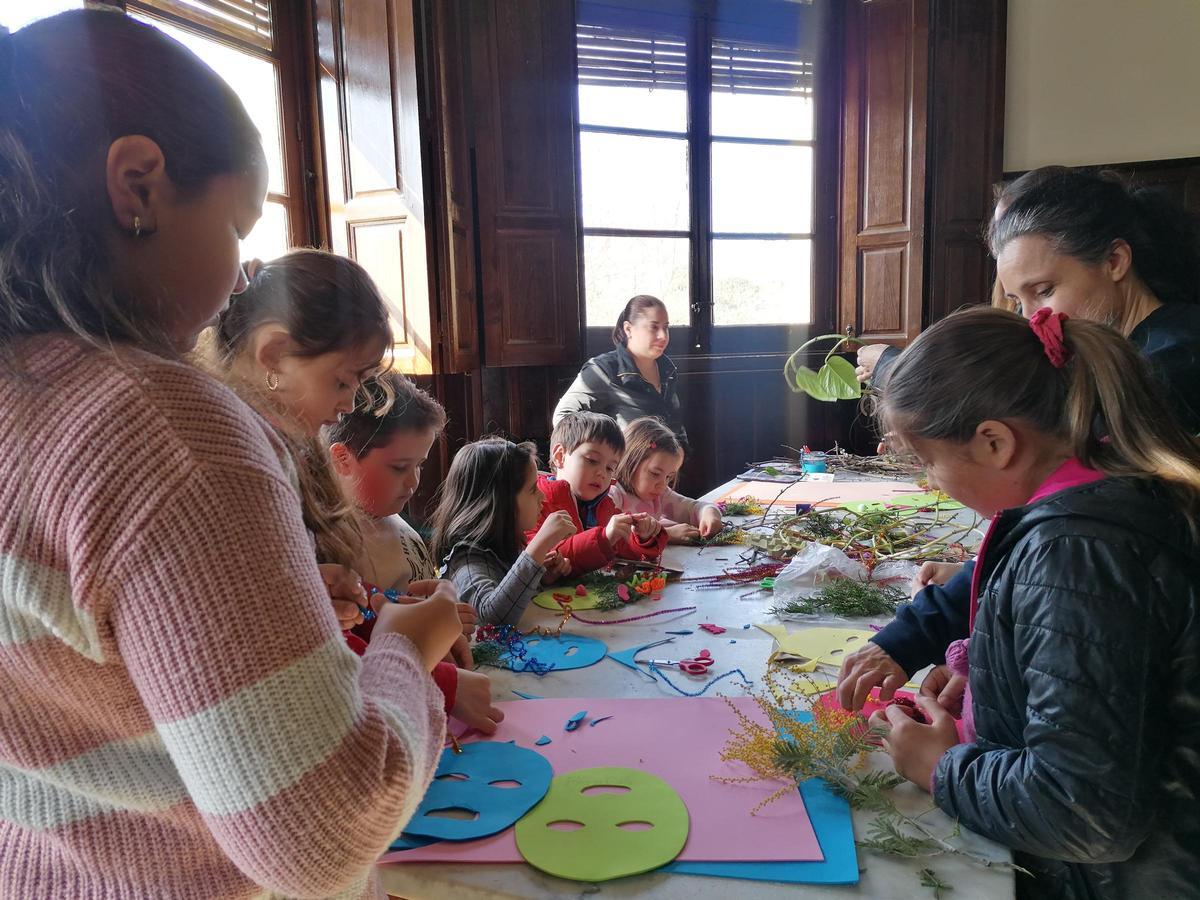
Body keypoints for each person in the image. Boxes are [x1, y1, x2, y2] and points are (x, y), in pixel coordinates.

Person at [0, 11, 460, 898]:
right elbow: (324, 833)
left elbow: (73, 673)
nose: (240, 273)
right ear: (139, 185)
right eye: (238, 226)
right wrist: (406, 650)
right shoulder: (162, 429)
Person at [864, 305, 1200, 897]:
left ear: (994, 442)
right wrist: (999, 682)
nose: (931, 481)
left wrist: (940, 768)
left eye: (929, 462)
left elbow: (1083, 811)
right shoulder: (1100, 501)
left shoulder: (1078, 549)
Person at [839, 168, 1200, 711]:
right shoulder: (1126, 354)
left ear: (1115, 261)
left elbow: (1060, 535)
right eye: (1018, 300)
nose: (1034, 320)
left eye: (1045, 290)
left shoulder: (1171, 368)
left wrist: (933, 632)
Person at [329, 372, 502, 734]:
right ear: (343, 459)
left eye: (419, 465)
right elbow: (348, 649)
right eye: (399, 468)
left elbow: (400, 601)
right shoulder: (332, 547)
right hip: (389, 714)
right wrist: (439, 675)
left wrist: (441, 619)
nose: (413, 482)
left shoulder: (393, 520)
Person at [431, 438, 578, 626]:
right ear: (501, 501)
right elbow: (491, 618)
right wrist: (539, 545)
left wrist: (542, 578)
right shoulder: (467, 557)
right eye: (533, 489)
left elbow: (507, 593)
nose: (542, 497)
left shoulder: (503, 546)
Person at [529, 411, 667, 576]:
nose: (602, 473)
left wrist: (643, 538)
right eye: (592, 461)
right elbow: (542, 559)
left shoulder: (604, 505)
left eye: (610, 468)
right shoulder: (536, 502)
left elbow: (626, 550)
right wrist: (604, 538)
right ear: (560, 456)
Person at [553, 294, 687, 447]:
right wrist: (605, 453)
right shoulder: (604, 370)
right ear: (628, 329)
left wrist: (683, 451)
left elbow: (676, 425)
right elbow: (563, 417)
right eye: (654, 327)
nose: (663, 336)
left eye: (666, 327)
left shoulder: (667, 370)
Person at [609, 416, 723, 542]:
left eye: (668, 476)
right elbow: (611, 536)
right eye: (655, 474)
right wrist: (667, 534)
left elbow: (692, 508)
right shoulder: (613, 494)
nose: (663, 485)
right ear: (630, 462)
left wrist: (709, 514)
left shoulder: (660, 495)